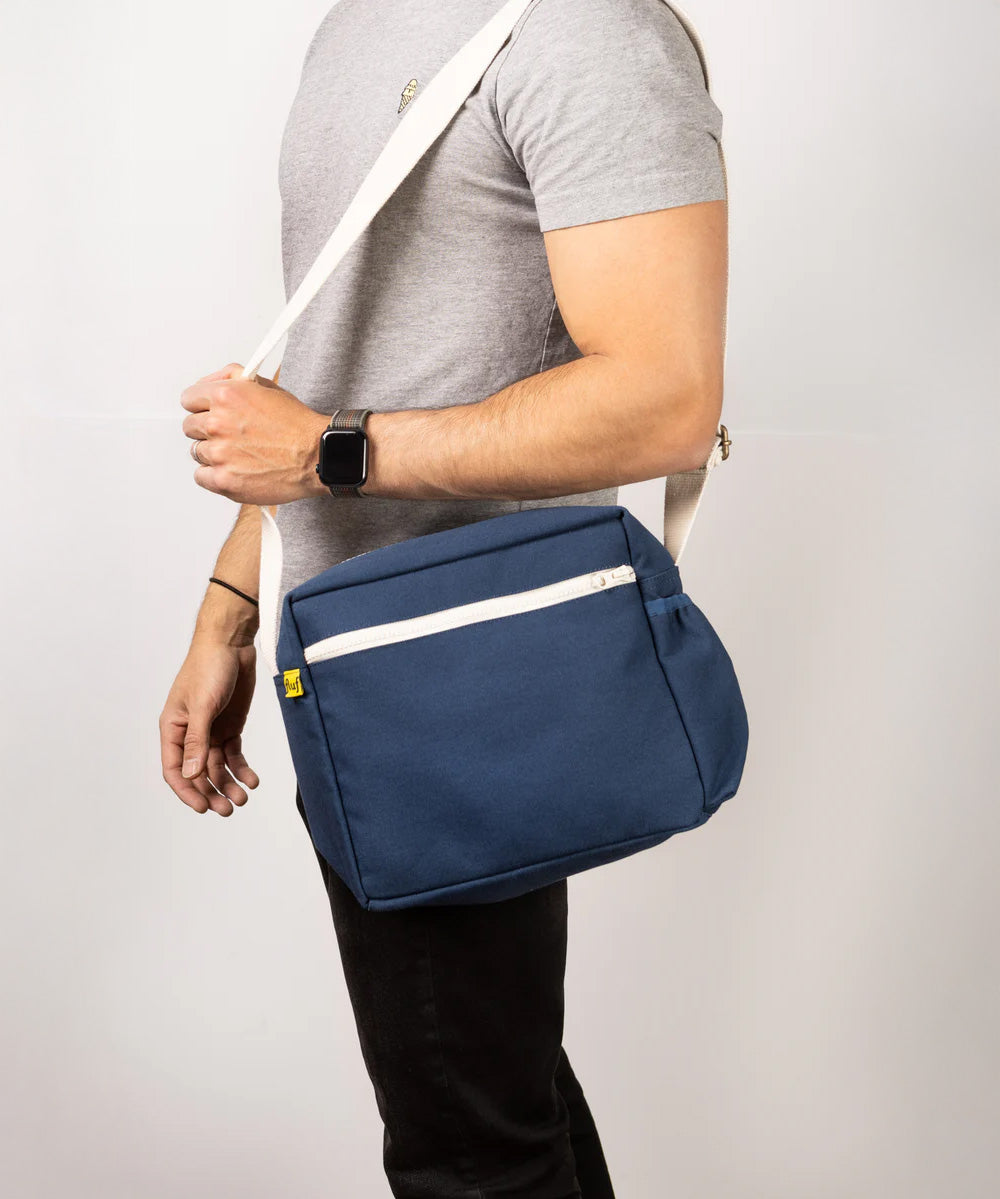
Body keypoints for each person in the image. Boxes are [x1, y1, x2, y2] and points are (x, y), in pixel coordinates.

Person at [159, 1, 728, 1194]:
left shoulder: (586, 34)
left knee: (469, 1145)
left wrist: (328, 456)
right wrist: (230, 606)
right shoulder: (358, 26)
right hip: (342, 664)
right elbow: (336, 372)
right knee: (494, 1105)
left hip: (467, 681)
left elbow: (664, 398)